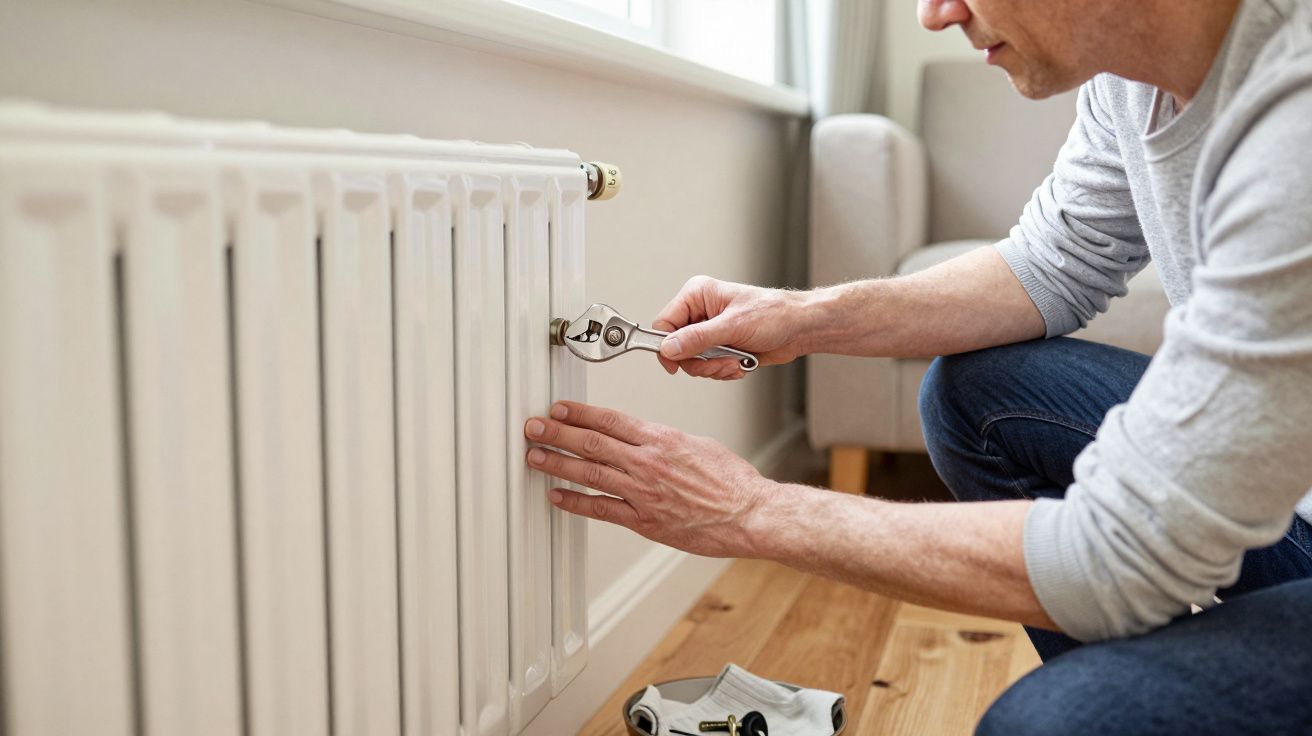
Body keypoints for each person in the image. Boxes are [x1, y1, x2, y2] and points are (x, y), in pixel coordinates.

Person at [522, 0, 1312, 731]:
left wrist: (747, 511)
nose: (937, 14)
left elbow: (1117, 552)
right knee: (976, 392)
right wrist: (800, 319)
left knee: (1045, 724)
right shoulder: (1133, 86)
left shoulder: (1293, 124)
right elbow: (1050, 264)